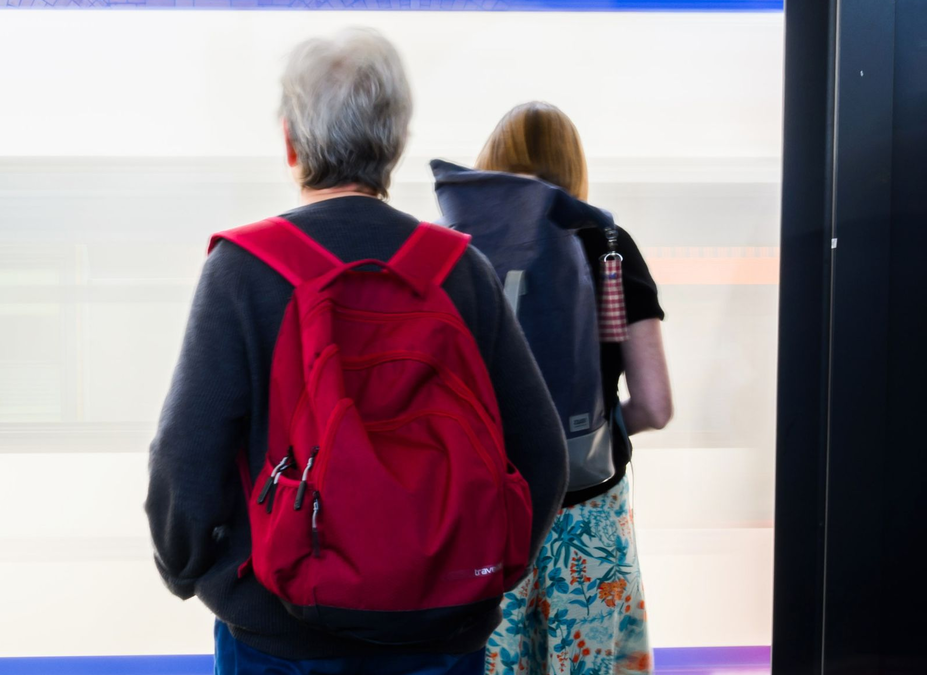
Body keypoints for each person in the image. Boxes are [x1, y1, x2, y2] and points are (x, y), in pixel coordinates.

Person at [146, 30, 569, 675]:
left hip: (280, 634)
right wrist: (474, 569)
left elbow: (185, 455)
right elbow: (542, 453)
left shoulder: (243, 270)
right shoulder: (460, 271)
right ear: (395, 144)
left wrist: (198, 574)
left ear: (290, 141)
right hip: (441, 636)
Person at [471, 102, 673, 675]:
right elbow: (655, 406)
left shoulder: (465, 253)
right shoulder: (609, 250)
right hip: (590, 521)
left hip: (493, 518)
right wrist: (589, 433)